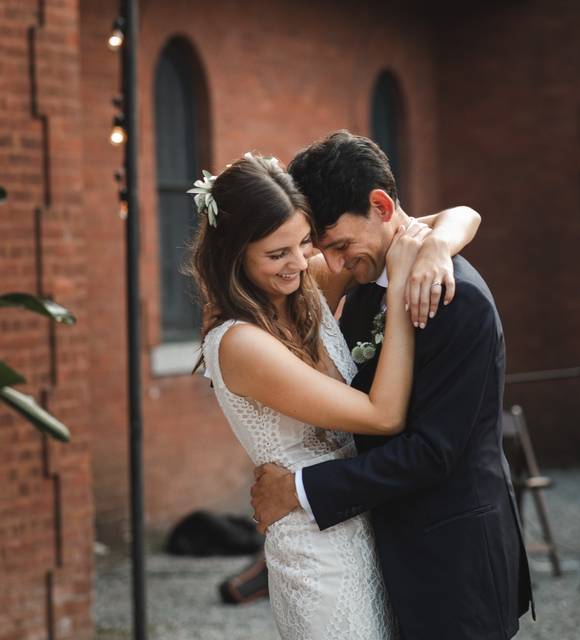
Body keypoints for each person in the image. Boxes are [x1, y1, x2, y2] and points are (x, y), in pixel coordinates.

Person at [250, 131, 532, 640]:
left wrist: (299, 489)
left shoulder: (456, 299)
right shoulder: (365, 288)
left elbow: (433, 452)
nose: (334, 266)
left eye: (339, 245)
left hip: (453, 566)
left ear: (380, 205)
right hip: (384, 559)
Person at [190, 151, 483, 639]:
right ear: (236, 254)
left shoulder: (304, 286)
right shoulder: (240, 343)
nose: (300, 263)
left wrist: (434, 249)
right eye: (276, 253)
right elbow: (384, 416)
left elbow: (462, 216)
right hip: (316, 554)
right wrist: (396, 300)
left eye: (304, 243)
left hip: (370, 529)